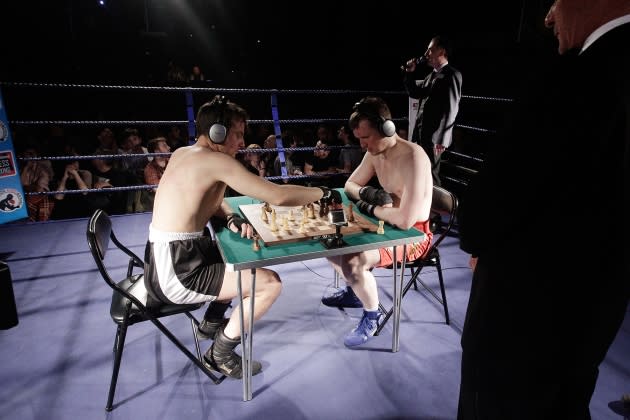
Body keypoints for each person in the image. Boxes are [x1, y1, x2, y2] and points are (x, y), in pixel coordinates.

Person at [456, 1, 630, 418]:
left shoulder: (577, 75)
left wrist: (479, 233)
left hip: (521, 325)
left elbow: (482, 214)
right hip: (592, 318)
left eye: (557, 0)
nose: (549, 17)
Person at [143, 94, 341, 379]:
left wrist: (231, 216)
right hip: (177, 272)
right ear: (217, 133)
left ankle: (211, 324)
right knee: (269, 284)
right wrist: (324, 192)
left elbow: (210, 198)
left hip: (166, 261)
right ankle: (220, 353)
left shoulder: (183, 154)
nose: (241, 141)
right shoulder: (216, 162)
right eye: (237, 134)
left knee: (231, 257)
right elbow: (278, 195)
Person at [321, 97, 434, 347]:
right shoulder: (375, 152)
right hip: (386, 224)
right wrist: (369, 194)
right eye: (359, 139)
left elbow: (406, 220)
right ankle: (355, 291)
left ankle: (373, 315)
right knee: (327, 242)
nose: (362, 146)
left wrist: (369, 206)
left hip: (415, 237)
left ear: (387, 128)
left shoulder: (413, 158)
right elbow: (350, 185)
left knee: (353, 261)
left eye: (366, 138)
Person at [403, 35, 462, 187]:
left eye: (430, 50)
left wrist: (442, 138)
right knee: (421, 171)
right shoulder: (431, 76)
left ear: (441, 51)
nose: (426, 53)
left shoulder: (452, 75)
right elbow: (415, 93)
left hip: (435, 136)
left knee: (431, 174)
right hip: (422, 133)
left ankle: (435, 208)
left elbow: (452, 108)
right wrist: (410, 73)